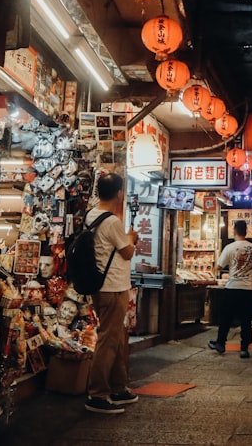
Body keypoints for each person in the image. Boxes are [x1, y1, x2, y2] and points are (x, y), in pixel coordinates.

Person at [84, 172, 139, 414]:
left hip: (103, 285)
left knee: (115, 336)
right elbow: (127, 252)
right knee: (108, 339)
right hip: (113, 287)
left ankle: (118, 387)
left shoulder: (91, 216)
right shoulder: (112, 221)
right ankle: (97, 394)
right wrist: (131, 238)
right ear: (119, 193)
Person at [208, 220, 252, 358]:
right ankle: (244, 348)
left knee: (226, 318)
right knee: (246, 320)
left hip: (232, 287)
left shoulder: (229, 248)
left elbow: (218, 266)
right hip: (248, 289)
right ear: (246, 231)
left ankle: (220, 344)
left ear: (234, 230)